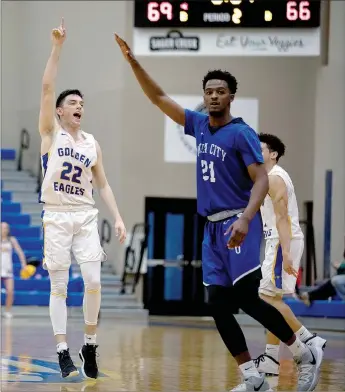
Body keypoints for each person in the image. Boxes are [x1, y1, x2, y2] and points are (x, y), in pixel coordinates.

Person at [115, 34, 323, 391]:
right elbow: (159, 98)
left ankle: (305, 351)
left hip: (238, 221)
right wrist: (135, 62)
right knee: (216, 303)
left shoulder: (241, 133)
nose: (213, 95)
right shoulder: (198, 125)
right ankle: (251, 376)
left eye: (220, 91)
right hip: (211, 229)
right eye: (208, 90)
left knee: (245, 295)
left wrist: (245, 218)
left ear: (230, 96)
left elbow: (260, 181)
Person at [39, 19, 126, 379]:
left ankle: (89, 342)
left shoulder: (92, 143)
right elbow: (46, 87)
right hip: (56, 215)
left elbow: (102, 184)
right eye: (72, 102)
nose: (79, 106)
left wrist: (118, 216)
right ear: (59, 111)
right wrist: (57, 47)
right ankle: (62, 349)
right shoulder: (50, 133)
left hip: (85, 215)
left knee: (93, 280)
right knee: (59, 286)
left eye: (82, 103)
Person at [253, 134, 326, 376]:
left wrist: (286, 253)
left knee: (267, 300)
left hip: (281, 241)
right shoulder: (268, 176)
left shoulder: (275, 178)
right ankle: (271, 359)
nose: (255, 151)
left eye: (260, 148)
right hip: (280, 240)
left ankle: (310, 340)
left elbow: (283, 218)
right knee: (274, 301)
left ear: (273, 153)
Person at [1, 222, 27, 319]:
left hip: (7, 270)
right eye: (2, 228)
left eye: (5, 228)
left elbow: (20, 252)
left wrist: (23, 264)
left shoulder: (12, 240)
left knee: (10, 291)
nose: (3, 230)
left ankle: (7, 311)